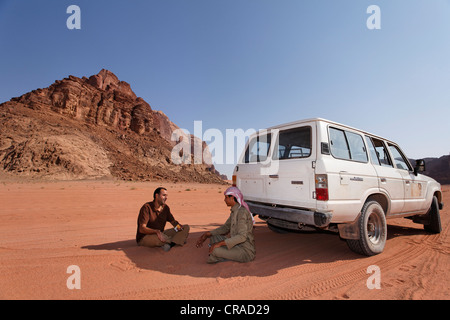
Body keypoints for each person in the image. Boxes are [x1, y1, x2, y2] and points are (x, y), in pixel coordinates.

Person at [196, 186, 255, 263]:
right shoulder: (235, 211)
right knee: (214, 237)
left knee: (216, 250)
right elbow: (225, 227)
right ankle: (220, 254)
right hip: (236, 245)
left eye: (226, 197)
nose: (224, 200)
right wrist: (207, 234)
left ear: (232, 198)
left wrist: (219, 244)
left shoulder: (242, 212)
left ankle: (218, 256)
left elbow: (242, 237)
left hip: (245, 251)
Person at [136, 187, 190, 251]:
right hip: (145, 237)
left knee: (185, 227)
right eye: (164, 195)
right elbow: (142, 229)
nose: (166, 198)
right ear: (156, 196)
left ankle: (170, 244)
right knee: (159, 239)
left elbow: (173, 222)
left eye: (167, 196)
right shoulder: (147, 207)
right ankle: (176, 240)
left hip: (161, 233)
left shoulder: (165, 208)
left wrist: (179, 227)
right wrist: (156, 231)